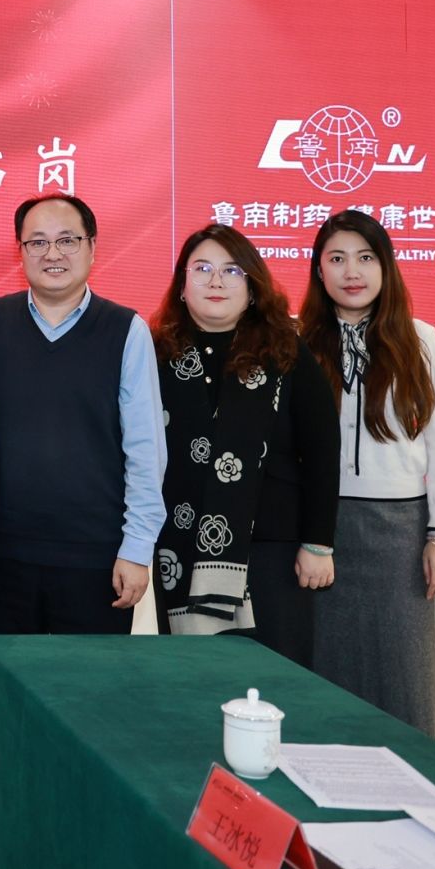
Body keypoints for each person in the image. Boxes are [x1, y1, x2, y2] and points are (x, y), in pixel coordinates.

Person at [0, 194, 165, 634]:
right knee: (14, 676)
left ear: (92, 247)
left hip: (97, 557)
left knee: (90, 678)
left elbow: (146, 449)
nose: (52, 254)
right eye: (37, 242)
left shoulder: (126, 330)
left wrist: (137, 549)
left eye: (67, 240)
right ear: (20, 252)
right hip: (3, 555)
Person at [300, 209, 435, 737]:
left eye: (366, 258)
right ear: (318, 270)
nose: (352, 271)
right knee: (325, 675)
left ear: (386, 267)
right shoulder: (298, 341)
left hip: (400, 534)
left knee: (407, 680)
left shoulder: (421, 339)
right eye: (337, 258)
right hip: (320, 531)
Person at [149, 223, 339, 664]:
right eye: (202, 269)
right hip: (180, 546)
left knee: (276, 681)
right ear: (182, 286)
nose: (216, 281)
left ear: (253, 287)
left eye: (232, 270)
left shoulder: (286, 350)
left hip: (273, 549)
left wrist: (318, 543)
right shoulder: (155, 353)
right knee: (194, 680)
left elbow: (322, 450)